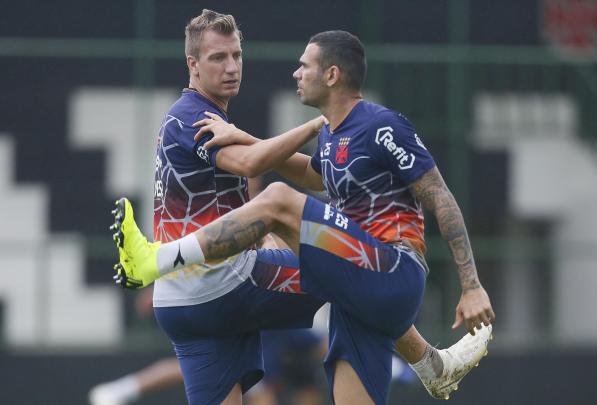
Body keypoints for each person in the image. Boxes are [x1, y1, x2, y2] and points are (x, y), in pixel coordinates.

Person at [112, 11, 493, 405]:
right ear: (192, 64)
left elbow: (317, 177)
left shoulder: (379, 126)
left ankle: (432, 366)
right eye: (218, 58)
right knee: (282, 205)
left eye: (236, 55)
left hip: (181, 302)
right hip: (218, 282)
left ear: (332, 75)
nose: (233, 67)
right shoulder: (195, 115)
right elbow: (252, 164)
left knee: (297, 240)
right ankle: (156, 259)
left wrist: (471, 284)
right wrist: (313, 125)